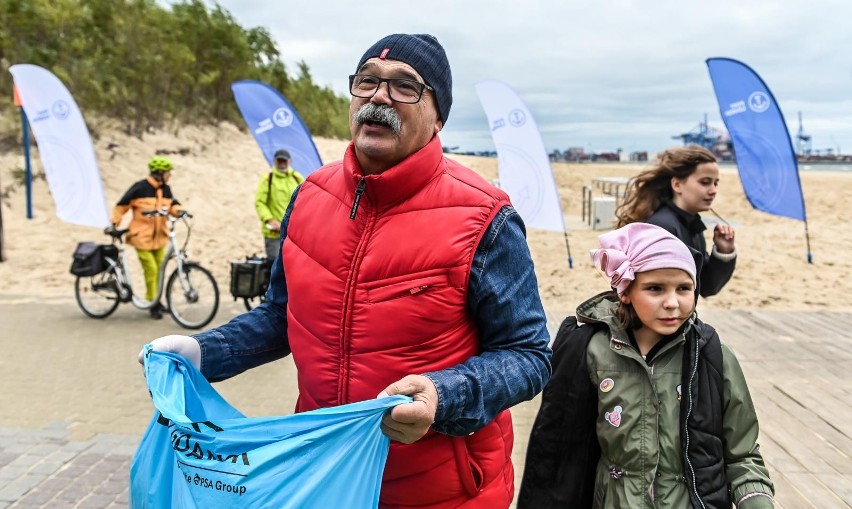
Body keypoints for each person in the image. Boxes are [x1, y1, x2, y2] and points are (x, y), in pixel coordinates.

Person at [141, 33, 551, 508]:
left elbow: (528, 354)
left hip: (441, 489)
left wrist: (444, 396)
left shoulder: (486, 217)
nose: (379, 96)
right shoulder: (309, 196)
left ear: (439, 115)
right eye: (367, 81)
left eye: (405, 86)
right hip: (323, 473)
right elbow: (281, 317)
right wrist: (200, 352)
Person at [518, 223, 774, 508]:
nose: (672, 302)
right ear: (625, 291)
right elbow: (558, 449)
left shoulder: (713, 355)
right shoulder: (589, 351)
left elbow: (742, 454)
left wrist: (756, 499)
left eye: (684, 288)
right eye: (655, 289)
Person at [615, 145, 737, 297]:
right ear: (677, 185)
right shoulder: (663, 228)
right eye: (705, 182)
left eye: (715, 183)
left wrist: (723, 251)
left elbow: (706, 286)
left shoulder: (690, 223)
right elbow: (653, 294)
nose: (713, 190)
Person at [111, 156, 183, 319]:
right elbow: (121, 206)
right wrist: (115, 223)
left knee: (160, 270)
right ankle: (153, 303)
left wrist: (180, 211)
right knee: (151, 270)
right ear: (159, 173)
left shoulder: (165, 189)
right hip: (141, 237)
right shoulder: (140, 188)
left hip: (160, 237)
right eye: (167, 173)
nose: (169, 175)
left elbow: (172, 205)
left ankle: (157, 300)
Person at [255, 148, 304, 259]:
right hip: (273, 234)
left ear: (290, 162)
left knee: (292, 266)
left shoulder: (297, 178)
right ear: (275, 161)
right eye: (279, 161)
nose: (282, 164)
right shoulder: (268, 179)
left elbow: (305, 201)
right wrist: (270, 219)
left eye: (284, 161)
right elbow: (260, 202)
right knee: (274, 266)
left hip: (293, 233)